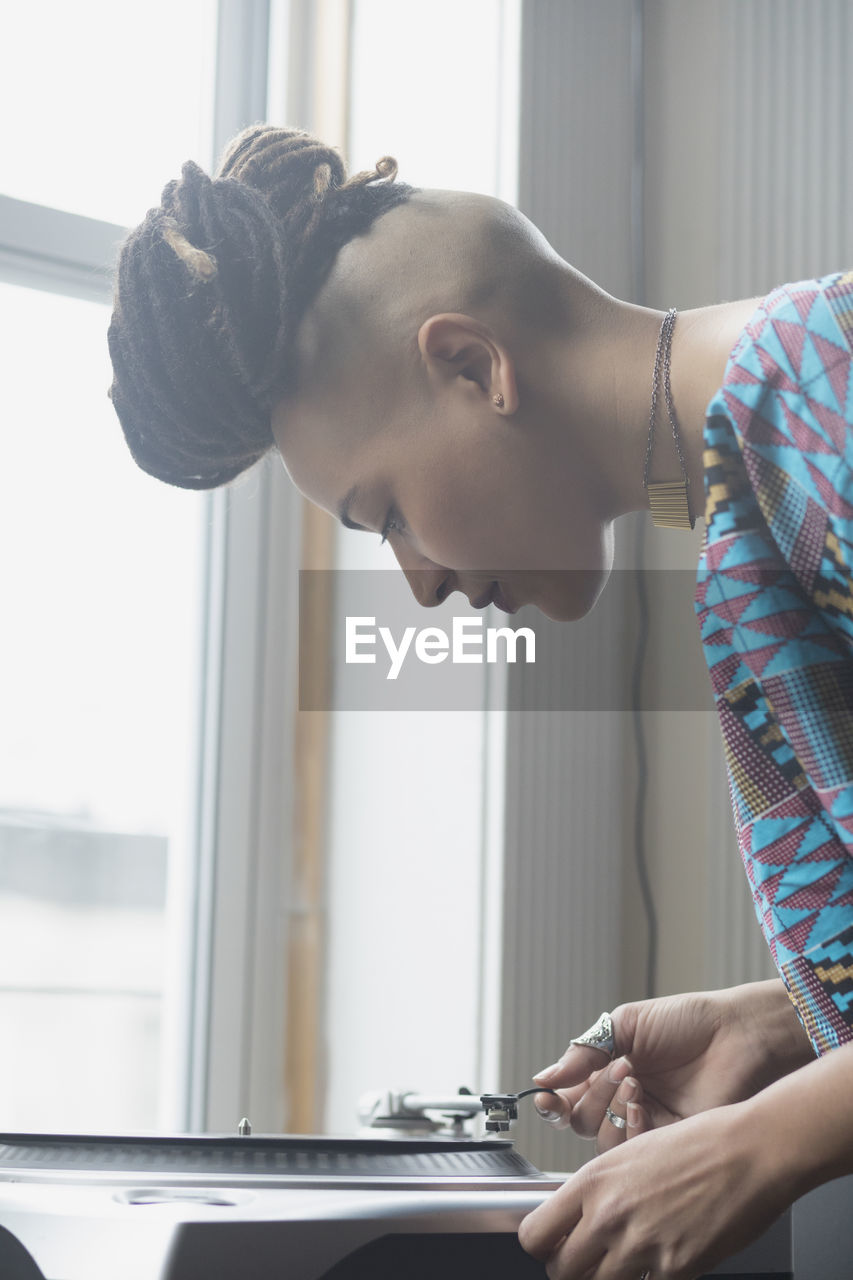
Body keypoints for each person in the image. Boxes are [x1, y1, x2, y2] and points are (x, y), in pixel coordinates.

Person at [108, 124, 853, 1279]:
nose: (421, 584)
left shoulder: (829, 393)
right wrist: (783, 1021)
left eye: (386, 512)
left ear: (471, 365)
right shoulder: (760, 498)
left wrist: (762, 1145)